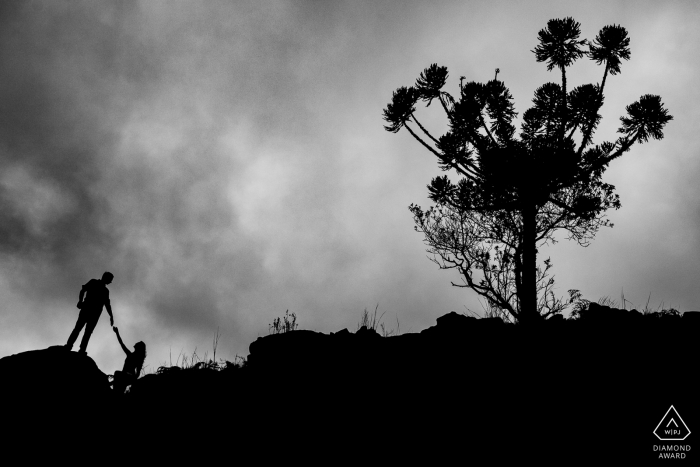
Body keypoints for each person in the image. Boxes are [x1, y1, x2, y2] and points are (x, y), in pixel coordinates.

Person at [65, 272, 115, 354]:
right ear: (106, 278)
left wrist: (111, 316)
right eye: (110, 280)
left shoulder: (105, 291)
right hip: (88, 310)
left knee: (85, 331)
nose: (110, 282)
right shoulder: (94, 282)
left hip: (94, 313)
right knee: (80, 329)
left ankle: (80, 349)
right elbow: (83, 290)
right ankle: (70, 345)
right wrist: (80, 301)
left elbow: (107, 304)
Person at [111, 326, 146, 394]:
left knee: (117, 373)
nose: (135, 344)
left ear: (138, 348)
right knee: (120, 390)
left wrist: (132, 378)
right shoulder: (132, 355)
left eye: (137, 344)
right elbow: (121, 344)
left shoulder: (135, 357)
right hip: (125, 376)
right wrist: (117, 333)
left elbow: (137, 373)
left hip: (128, 377)